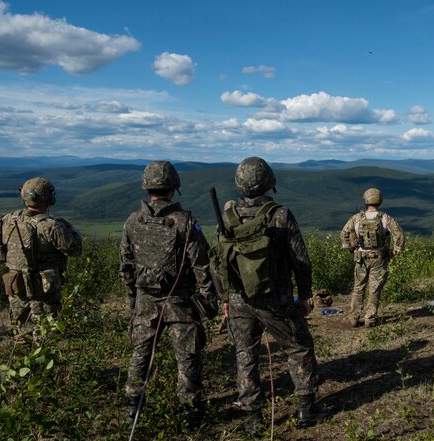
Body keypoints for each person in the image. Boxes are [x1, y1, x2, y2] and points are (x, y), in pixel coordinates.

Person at [215, 156, 324, 434]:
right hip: (276, 300)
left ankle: (253, 417)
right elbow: (301, 260)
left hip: (240, 299)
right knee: (298, 347)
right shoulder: (280, 214)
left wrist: (225, 298)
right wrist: (305, 295)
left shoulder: (227, 216)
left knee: (245, 355)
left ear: (240, 183)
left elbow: (220, 263)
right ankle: (305, 409)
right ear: (268, 181)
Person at [119, 160, 218, 430]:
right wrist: (210, 302)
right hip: (180, 302)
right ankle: (190, 412)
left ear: (147, 186)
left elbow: (126, 266)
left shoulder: (132, 221)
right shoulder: (185, 223)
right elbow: (202, 267)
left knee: (141, 355)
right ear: (174, 187)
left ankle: (132, 409)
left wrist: (133, 300)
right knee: (186, 356)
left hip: (145, 301)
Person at [0, 177, 82, 326]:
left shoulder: (8, 220)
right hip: (45, 290)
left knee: (20, 330)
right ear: (47, 197)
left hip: (16, 285)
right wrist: (70, 229)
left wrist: (1, 260)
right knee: (45, 333)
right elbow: (75, 250)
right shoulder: (51, 226)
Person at [340, 188, 405, 328]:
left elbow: (344, 233)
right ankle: (370, 319)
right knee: (374, 289)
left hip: (361, 258)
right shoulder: (385, 218)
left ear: (366, 200)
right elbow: (399, 235)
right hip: (379, 258)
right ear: (379, 200)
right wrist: (395, 251)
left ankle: (354, 318)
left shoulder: (356, 218)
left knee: (358, 287)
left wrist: (353, 250)